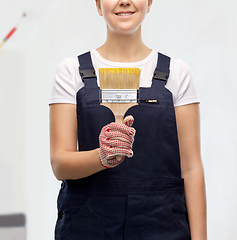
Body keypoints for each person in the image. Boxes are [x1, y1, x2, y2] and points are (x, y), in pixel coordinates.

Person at [49, 0, 207, 239]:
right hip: (88, 226)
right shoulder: (71, 72)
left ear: (150, 3)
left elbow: (192, 167)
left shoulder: (177, 73)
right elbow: (60, 164)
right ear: (99, 5)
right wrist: (101, 156)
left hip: (162, 226)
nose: (124, 1)